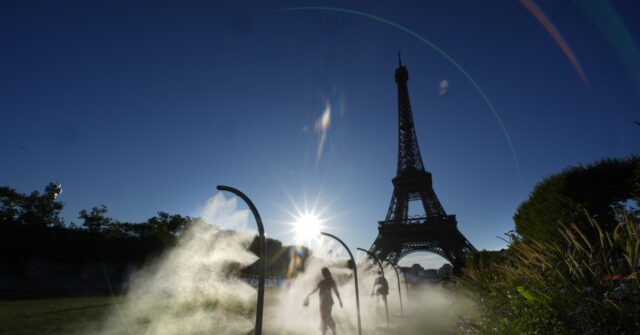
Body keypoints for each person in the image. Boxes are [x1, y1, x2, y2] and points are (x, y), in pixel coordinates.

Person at [305, 267, 343, 335]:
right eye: (323, 274)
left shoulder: (327, 281)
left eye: (324, 274)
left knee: (325, 321)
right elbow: (316, 289)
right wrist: (309, 295)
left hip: (326, 303)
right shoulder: (327, 281)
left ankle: (330, 330)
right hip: (327, 302)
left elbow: (336, 291)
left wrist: (340, 301)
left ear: (327, 273)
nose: (324, 275)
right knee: (325, 321)